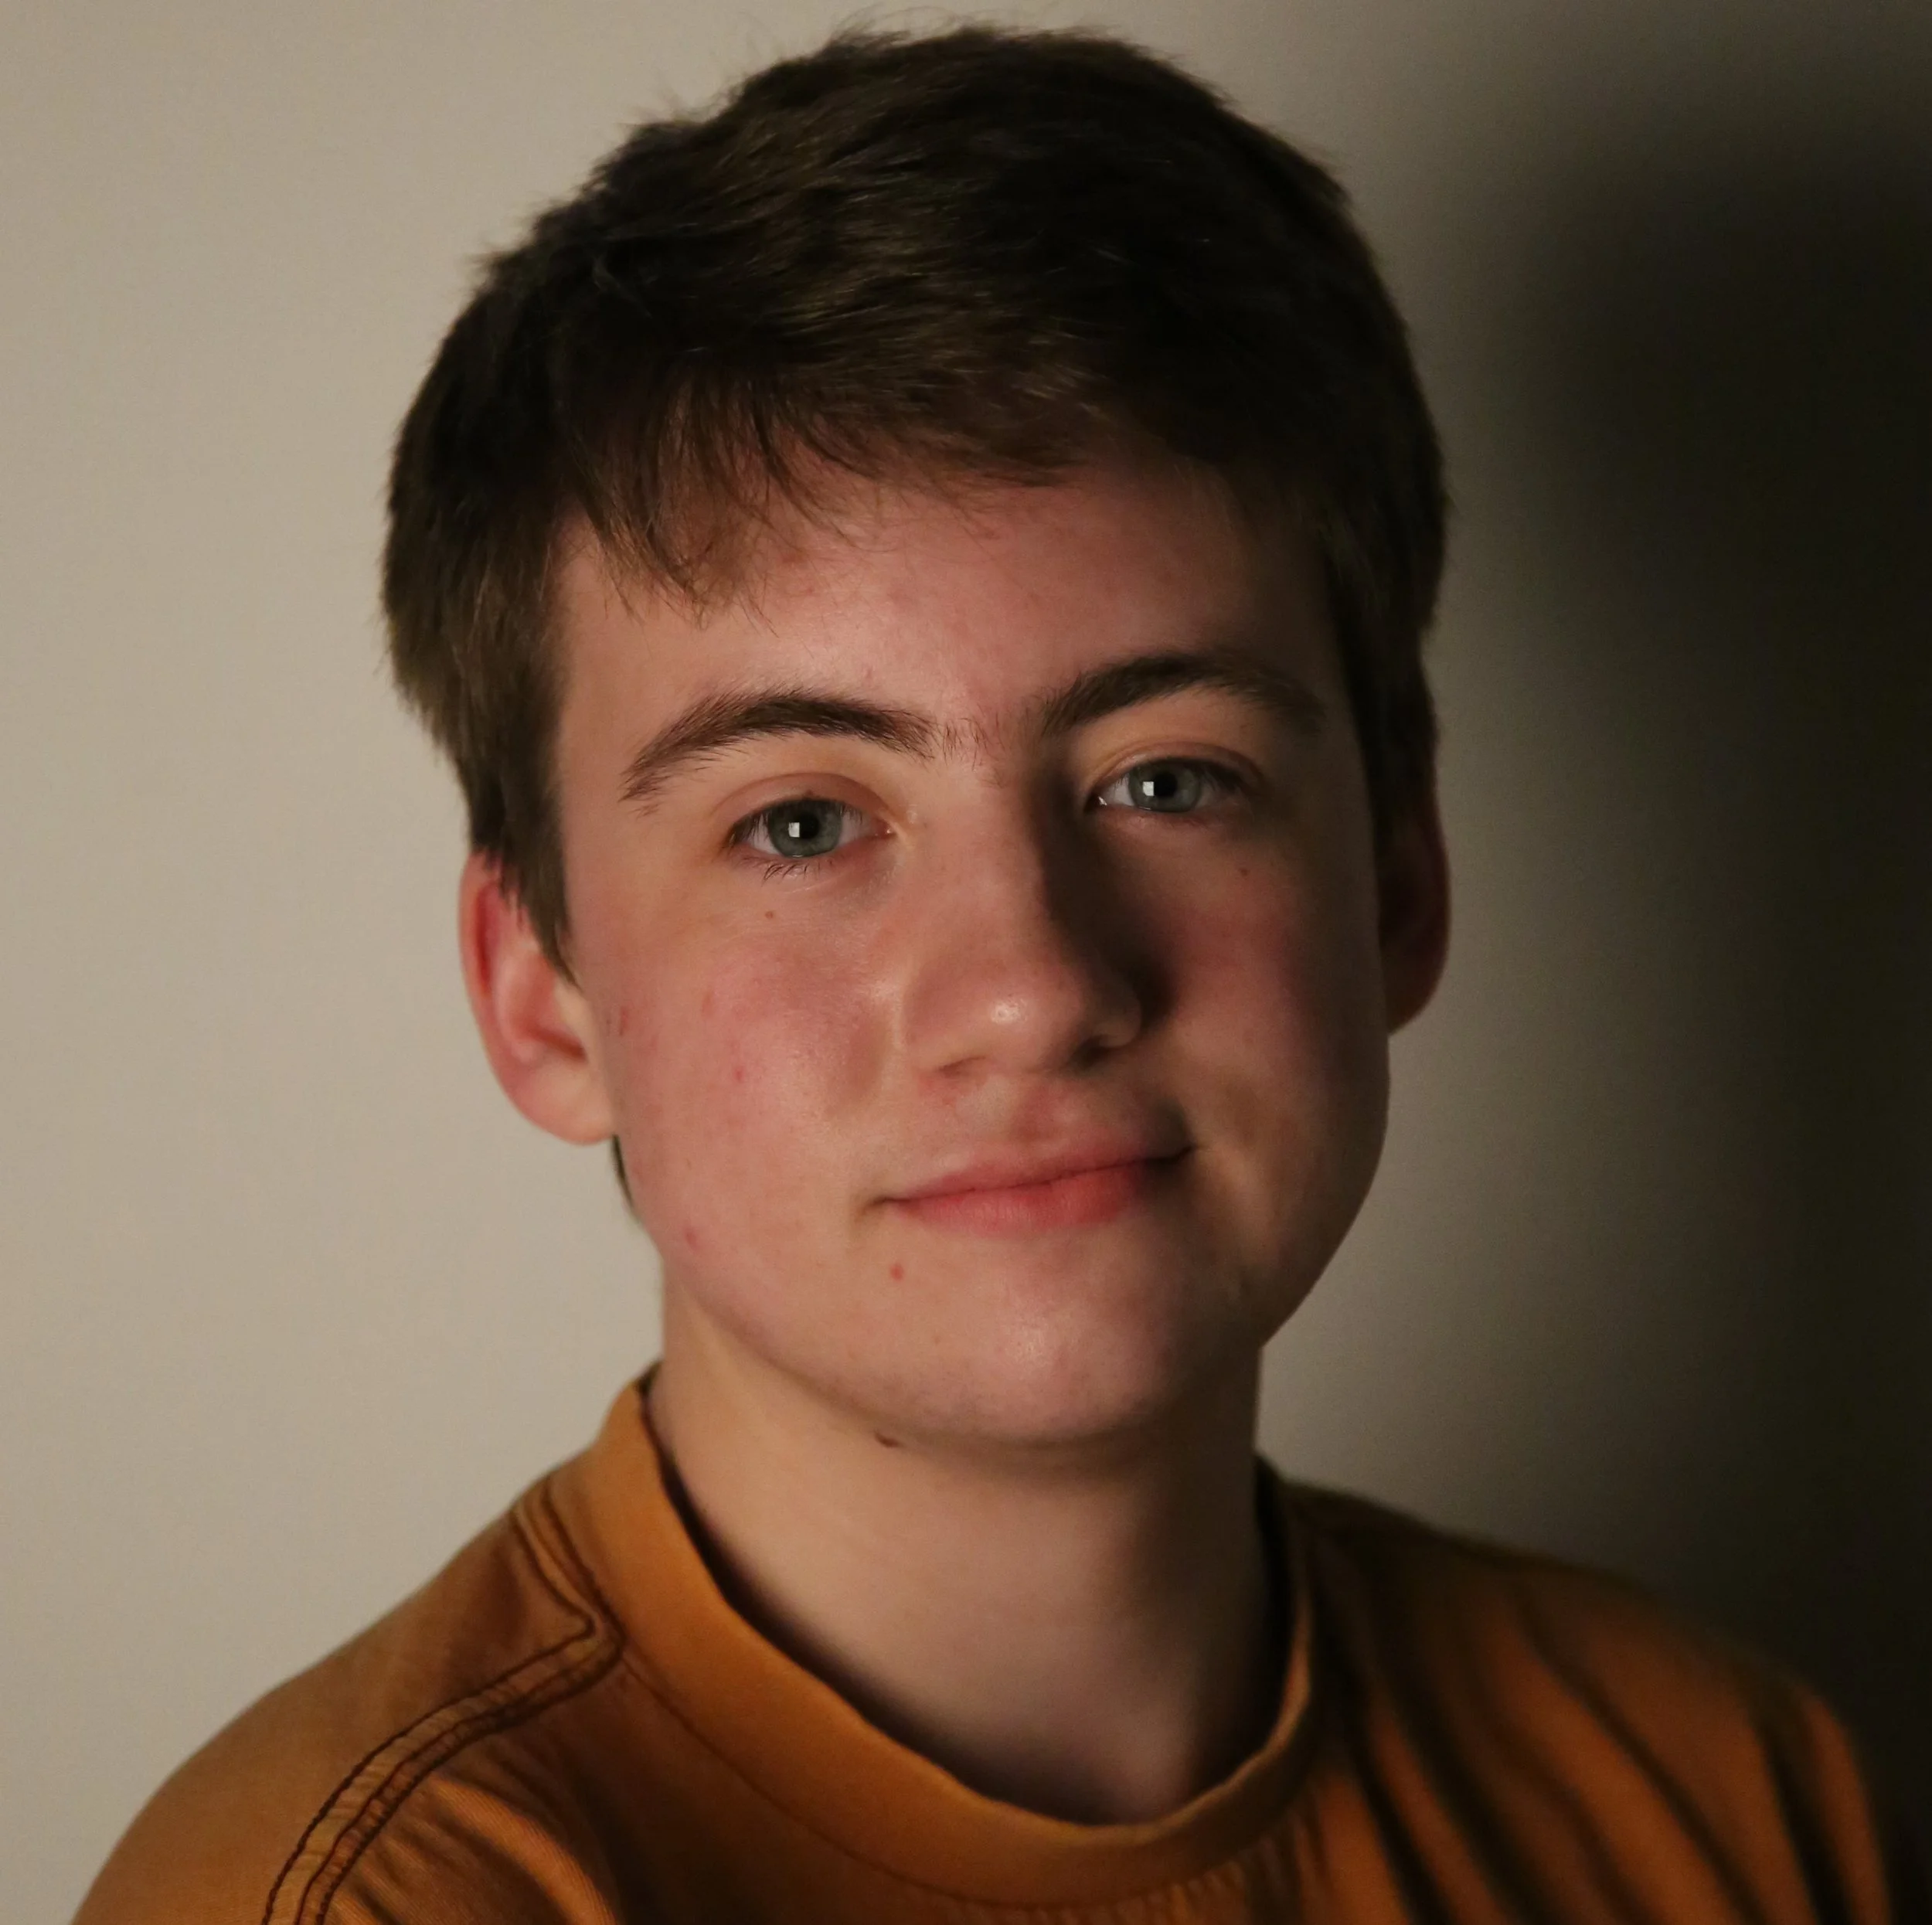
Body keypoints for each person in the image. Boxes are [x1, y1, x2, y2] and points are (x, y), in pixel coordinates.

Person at [75, 25, 1923, 1925]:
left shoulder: (1723, 1804)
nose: (1029, 988)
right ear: (541, 994)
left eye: (1165, 778)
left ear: (1393, 880)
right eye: (801, 823)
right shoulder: (367, 1902)